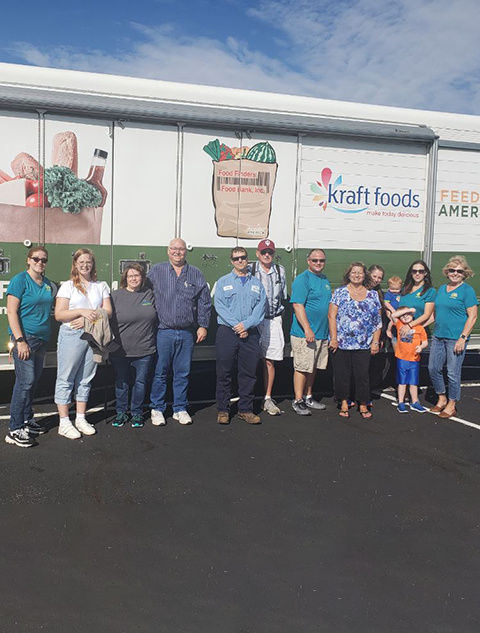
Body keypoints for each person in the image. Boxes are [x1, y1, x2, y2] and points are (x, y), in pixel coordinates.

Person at [148, 238, 211, 426]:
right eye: (174, 249)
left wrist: (203, 325)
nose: (177, 252)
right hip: (163, 331)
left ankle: (180, 408)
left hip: (186, 332)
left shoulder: (195, 274)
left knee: (182, 373)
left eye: (181, 249)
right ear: (168, 251)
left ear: (186, 251)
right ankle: (157, 409)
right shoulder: (156, 271)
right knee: (160, 372)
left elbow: (204, 301)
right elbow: (145, 295)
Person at [54, 248, 112, 439]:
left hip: (93, 335)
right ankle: (64, 422)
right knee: (66, 378)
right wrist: (82, 311)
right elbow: (59, 314)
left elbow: (108, 312)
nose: (85, 265)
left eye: (88, 262)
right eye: (82, 262)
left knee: (86, 378)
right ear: (75, 265)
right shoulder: (68, 286)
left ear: (93, 264)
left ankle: (80, 418)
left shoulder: (101, 285)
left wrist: (88, 319)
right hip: (72, 335)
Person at [5, 247, 56, 447]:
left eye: (44, 260)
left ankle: (26, 420)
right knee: (25, 382)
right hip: (25, 339)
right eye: (36, 259)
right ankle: (14, 429)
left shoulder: (47, 284)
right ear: (28, 260)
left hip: (41, 340)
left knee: (33, 383)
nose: (40, 262)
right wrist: (20, 340)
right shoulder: (20, 280)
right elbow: (11, 312)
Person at [214, 247, 266, 425]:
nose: (240, 261)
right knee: (224, 372)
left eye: (243, 257)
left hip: (250, 333)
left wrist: (246, 325)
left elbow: (260, 309)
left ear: (247, 259)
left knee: (248, 373)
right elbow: (220, 306)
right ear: (231, 261)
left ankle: (246, 410)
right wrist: (237, 326)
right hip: (228, 332)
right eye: (236, 258)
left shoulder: (257, 285)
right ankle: (223, 410)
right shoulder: (222, 282)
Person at [328, 262, 382, 419]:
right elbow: (332, 316)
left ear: (365, 275)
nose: (357, 275)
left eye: (360, 272)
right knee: (342, 374)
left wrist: (376, 342)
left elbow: (377, 321)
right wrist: (333, 338)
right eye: (354, 272)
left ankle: (363, 403)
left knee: (362, 375)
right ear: (348, 274)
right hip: (342, 342)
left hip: (364, 342)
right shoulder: (339, 293)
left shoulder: (372, 295)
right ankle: (344, 402)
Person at [428, 256, 478, 419]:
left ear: (464, 274)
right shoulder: (441, 289)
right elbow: (434, 315)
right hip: (438, 336)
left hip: (455, 339)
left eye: (459, 271)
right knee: (433, 368)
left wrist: (463, 338)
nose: (455, 273)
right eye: (452, 270)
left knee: (452, 372)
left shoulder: (467, 290)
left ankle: (452, 403)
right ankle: (441, 397)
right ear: (447, 271)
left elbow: (473, 316)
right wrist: (414, 325)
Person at [110, 264, 157, 428]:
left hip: (145, 349)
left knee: (141, 382)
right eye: (130, 276)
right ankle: (121, 412)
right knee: (122, 382)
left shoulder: (149, 294)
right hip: (120, 349)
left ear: (142, 278)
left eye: (137, 275)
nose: (134, 279)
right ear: (125, 279)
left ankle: (136, 413)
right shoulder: (115, 296)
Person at [290, 249, 331, 416]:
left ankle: (308, 397)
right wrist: (307, 328)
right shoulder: (302, 279)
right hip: (304, 334)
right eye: (315, 260)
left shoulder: (324, 279)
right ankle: (298, 400)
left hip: (321, 333)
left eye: (321, 260)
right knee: (302, 367)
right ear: (308, 261)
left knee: (312, 367)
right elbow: (297, 305)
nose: (318, 263)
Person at [251, 239, 287, 416]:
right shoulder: (250, 270)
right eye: (263, 252)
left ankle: (267, 398)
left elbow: (283, 295)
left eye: (270, 252)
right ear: (257, 254)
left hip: (273, 320)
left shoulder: (280, 271)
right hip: (253, 321)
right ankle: (248, 397)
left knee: (269, 360)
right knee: (249, 359)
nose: (266, 255)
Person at [392, 307, 428, 413]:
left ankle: (415, 401)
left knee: (413, 382)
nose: (405, 316)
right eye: (403, 315)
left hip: (414, 359)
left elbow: (425, 341)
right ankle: (401, 402)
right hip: (402, 358)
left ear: (413, 316)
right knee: (402, 382)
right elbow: (393, 315)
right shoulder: (399, 324)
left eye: (408, 315)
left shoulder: (420, 327)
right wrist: (409, 310)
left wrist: (421, 347)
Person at [398, 260, 436, 339]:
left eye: (421, 271)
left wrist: (409, 326)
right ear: (411, 273)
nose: (417, 274)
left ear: (425, 273)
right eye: (414, 271)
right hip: (400, 331)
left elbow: (427, 315)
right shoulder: (404, 289)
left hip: (416, 332)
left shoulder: (430, 291)